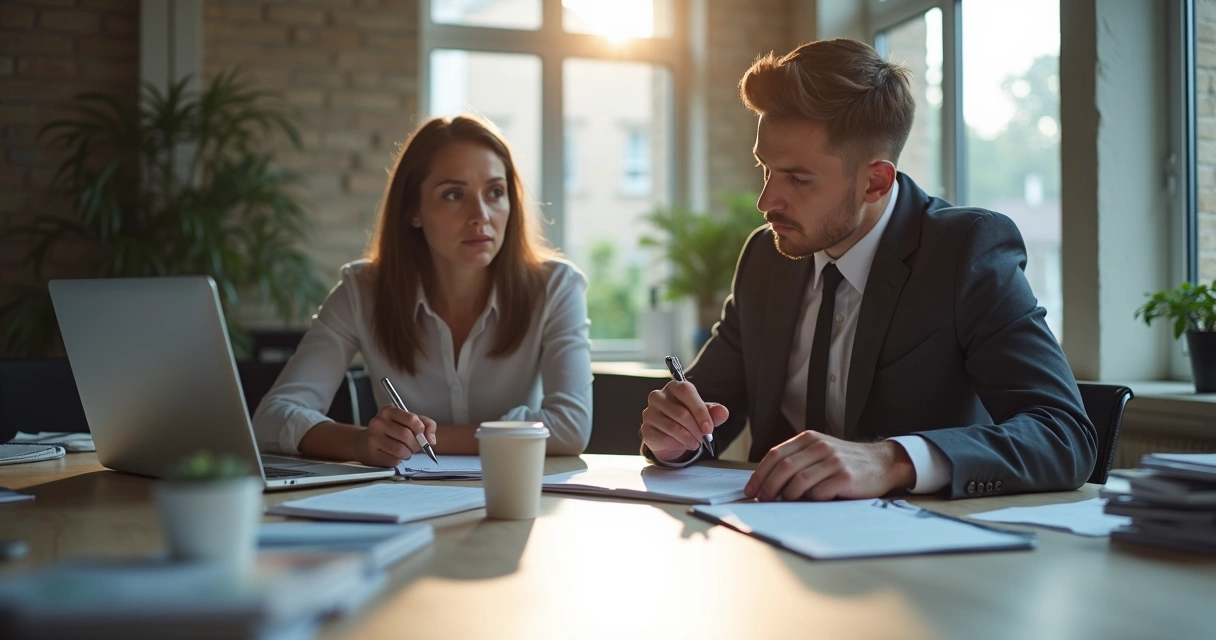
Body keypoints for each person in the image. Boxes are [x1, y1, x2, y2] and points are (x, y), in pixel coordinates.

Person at [638, 39, 1096, 501]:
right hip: (769, 539)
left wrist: (893, 460)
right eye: (765, 170)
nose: (766, 202)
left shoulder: (964, 252)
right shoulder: (767, 258)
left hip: (924, 553)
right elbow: (707, 418)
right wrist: (677, 438)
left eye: (797, 179)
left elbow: (1064, 436)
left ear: (875, 181)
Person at [254, 115, 592, 467]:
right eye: (453, 194)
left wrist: (413, 441)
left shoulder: (555, 287)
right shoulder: (362, 292)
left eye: (495, 192)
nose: (481, 215)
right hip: (402, 505)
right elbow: (271, 419)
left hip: (515, 493)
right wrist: (361, 443)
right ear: (413, 210)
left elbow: (570, 428)